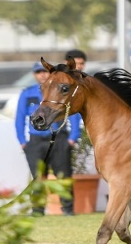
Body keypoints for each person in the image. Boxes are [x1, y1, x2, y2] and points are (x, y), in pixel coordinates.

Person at [14, 61, 82, 216]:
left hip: (58, 138)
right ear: (34, 75)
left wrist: (72, 137)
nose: (42, 75)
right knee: (38, 178)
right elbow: (19, 118)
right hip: (36, 141)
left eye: (44, 71)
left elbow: (72, 112)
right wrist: (23, 142)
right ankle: (37, 210)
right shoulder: (28, 93)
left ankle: (68, 210)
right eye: (38, 72)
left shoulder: (60, 90)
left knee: (63, 175)